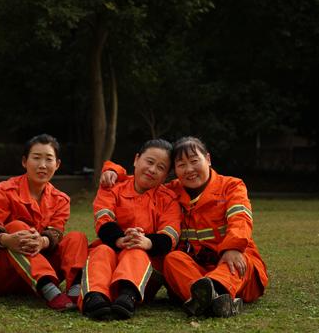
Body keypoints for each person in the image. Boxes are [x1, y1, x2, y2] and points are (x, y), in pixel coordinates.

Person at [100, 136, 268, 318]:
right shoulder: (173, 190)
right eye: (181, 165)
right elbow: (141, 177)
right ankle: (214, 302)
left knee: (233, 264)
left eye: (194, 161)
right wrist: (113, 170)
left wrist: (233, 247)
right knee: (172, 259)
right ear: (174, 171)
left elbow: (240, 218)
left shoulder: (232, 186)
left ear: (208, 159)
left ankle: (211, 295)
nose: (189, 170)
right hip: (195, 270)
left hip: (235, 260)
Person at [0, 134, 88, 311]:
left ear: (57, 165)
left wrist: (43, 241)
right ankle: (49, 290)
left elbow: (55, 232)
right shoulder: (3, 190)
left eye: (49, 159)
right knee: (17, 227)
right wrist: (7, 239)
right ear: (24, 162)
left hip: (28, 279)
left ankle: (75, 291)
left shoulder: (61, 199)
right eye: (36, 158)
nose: (42, 165)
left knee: (77, 238)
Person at [81, 139, 182, 320]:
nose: (152, 170)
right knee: (101, 249)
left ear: (166, 175)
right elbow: (103, 219)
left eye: (160, 167)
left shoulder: (169, 199)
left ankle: (128, 296)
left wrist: (147, 242)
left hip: (145, 270)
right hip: (111, 255)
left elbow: (171, 234)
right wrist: (120, 239)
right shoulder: (112, 186)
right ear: (136, 159)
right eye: (149, 162)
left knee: (136, 252)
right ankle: (94, 297)